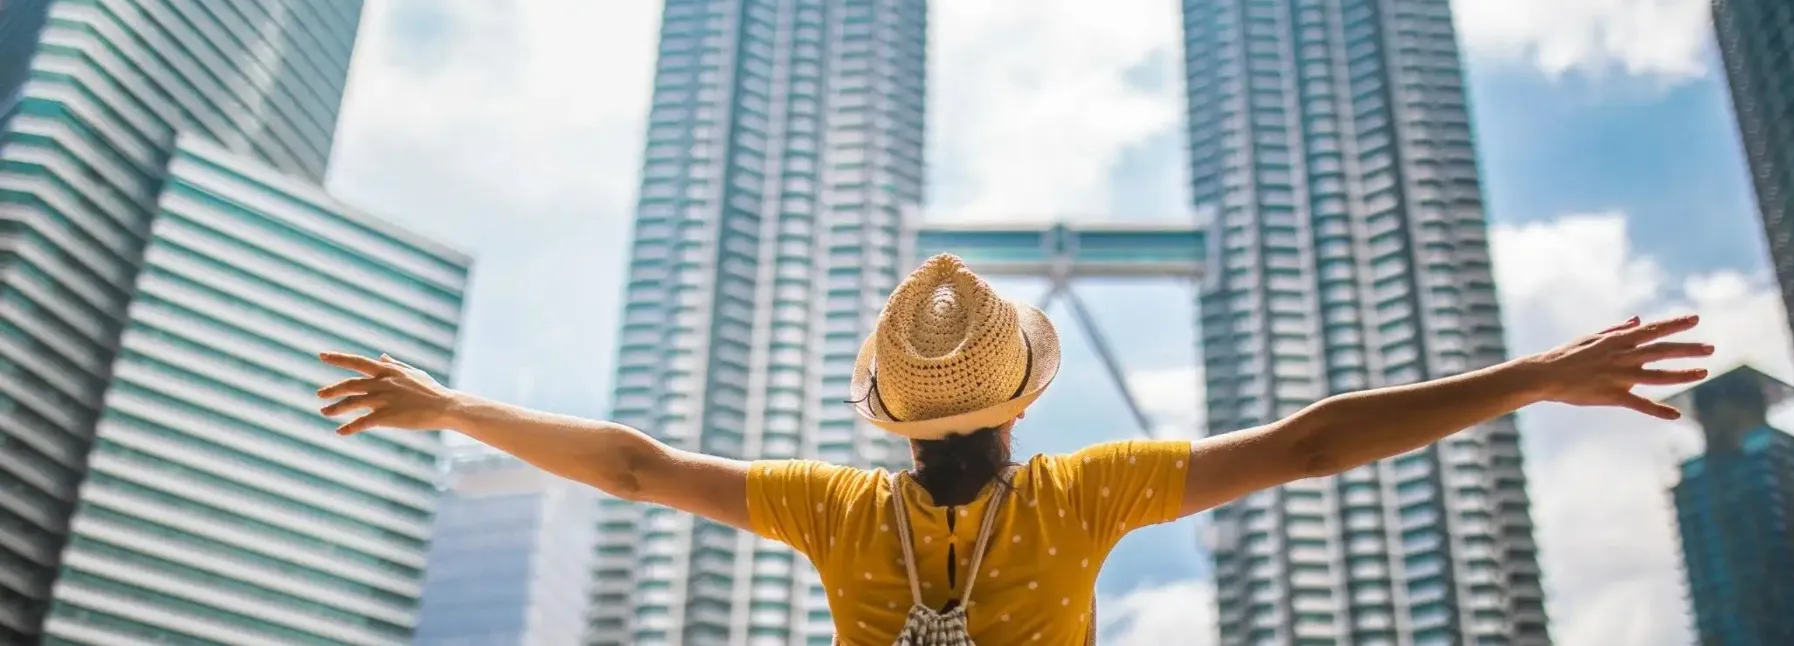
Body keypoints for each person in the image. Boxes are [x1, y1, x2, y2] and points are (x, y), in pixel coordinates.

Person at [315, 253, 1712, 645]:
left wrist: (455, 410)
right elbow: (1311, 444)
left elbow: (632, 466)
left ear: (893, 410)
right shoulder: (1085, 493)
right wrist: (1535, 374)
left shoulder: (835, 511)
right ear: (1019, 401)